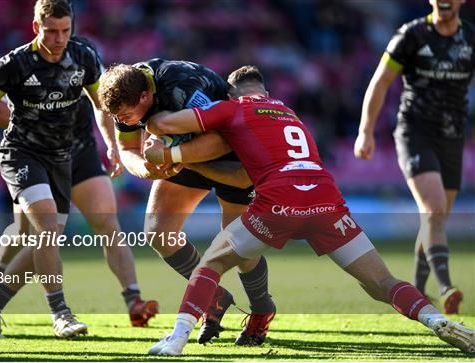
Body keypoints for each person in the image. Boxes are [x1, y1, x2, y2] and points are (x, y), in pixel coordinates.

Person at [142, 65, 475, 356]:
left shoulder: (232, 108)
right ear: (267, 92)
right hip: (327, 201)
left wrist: (162, 148)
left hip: (279, 201)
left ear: (232, 93)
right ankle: (436, 319)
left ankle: (177, 339)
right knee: (382, 283)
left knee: (212, 263)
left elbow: (167, 122)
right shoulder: (290, 113)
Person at [0, 0, 119, 338]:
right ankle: (61, 314)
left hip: (62, 157)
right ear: (36, 28)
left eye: (65, 31)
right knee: (46, 226)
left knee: (41, 240)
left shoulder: (84, 57)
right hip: (21, 153)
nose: (59, 39)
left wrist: (112, 145)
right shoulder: (14, 64)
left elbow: (101, 104)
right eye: (51, 31)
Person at [97, 60, 277, 345]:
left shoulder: (182, 88)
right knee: (159, 232)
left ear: (145, 97)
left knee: (239, 245)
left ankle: (262, 308)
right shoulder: (126, 94)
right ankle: (214, 298)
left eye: (127, 115)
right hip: (185, 154)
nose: (125, 120)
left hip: (234, 155)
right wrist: (147, 168)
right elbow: (128, 148)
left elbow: (224, 139)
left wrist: (171, 156)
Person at [0, 39, 158, 327]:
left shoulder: (90, 68)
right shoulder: (32, 69)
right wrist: (36, 120)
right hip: (37, 155)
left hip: (81, 153)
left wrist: (112, 145)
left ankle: (133, 301)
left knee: (108, 225)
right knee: (28, 233)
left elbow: (104, 109)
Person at [353, 0, 474, 313]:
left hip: (452, 137)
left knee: (435, 219)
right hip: (414, 133)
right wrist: (365, 131)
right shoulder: (412, 35)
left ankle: (417, 290)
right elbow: (380, 82)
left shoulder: (470, 38)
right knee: (433, 211)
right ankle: (446, 286)